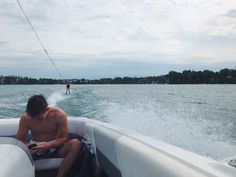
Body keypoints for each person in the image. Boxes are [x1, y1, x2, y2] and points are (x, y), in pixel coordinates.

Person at [16, 95, 81, 177]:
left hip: (55, 148)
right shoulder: (26, 118)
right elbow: (20, 139)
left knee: (76, 144)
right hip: (35, 149)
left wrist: (48, 146)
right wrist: (28, 146)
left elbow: (64, 137)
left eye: (39, 118)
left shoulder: (59, 115)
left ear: (46, 109)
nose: (35, 119)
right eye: (33, 117)